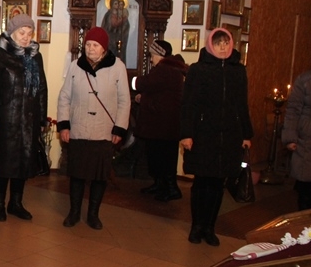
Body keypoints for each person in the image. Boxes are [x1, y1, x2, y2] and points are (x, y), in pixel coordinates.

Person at [180, 28, 253, 246]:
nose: (222, 47)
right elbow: (189, 105)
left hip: (229, 135)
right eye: (218, 43)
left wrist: (246, 134)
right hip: (203, 135)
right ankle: (196, 227)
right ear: (211, 45)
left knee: (218, 183)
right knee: (202, 182)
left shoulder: (238, 71)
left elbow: (242, 105)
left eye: (226, 43)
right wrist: (186, 134)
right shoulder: (198, 69)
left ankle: (210, 228)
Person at [58, 26, 130, 230]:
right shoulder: (75, 66)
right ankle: (74, 213)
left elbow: (124, 100)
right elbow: (64, 97)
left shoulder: (118, 67)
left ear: (104, 48)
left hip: (104, 131)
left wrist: (119, 128)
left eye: (95, 45)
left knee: (100, 175)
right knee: (77, 174)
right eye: (88, 44)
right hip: (79, 128)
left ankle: (93, 215)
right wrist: (64, 125)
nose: (90, 48)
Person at [0, 14, 48, 222]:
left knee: (23, 164)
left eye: (29, 33)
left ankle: (16, 203)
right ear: (11, 32)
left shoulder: (35, 56)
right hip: (5, 121)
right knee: (3, 164)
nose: (26, 38)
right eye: (21, 33)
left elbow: (42, 89)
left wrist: (41, 119)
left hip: (28, 121)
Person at [131, 40, 187, 201]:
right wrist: (145, 97)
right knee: (159, 155)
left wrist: (130, 81)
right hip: (164, 123)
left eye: (153, 55)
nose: (151, 59)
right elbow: (158, 91)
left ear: (160, 55)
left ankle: (171, 188)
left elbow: (144, 83)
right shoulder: (171, 68)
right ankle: (160, 184)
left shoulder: (165, 69)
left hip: (163, 124)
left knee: (164, 157)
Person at [282, 69, 311, 210]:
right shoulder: (305, 80)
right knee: (306, 190)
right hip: (306, 141)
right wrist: (290, 138)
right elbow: (293, 110)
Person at [100, 0, 130, 65]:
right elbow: (113, 24)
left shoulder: (119, 13)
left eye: (118, 4)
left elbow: (126, 25)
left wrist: (124, 23)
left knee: (119, 54)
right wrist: (123, 19)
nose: (117, 5)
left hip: (118, 38)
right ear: (111, 4)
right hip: (111, 38)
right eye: (115, 4)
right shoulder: (109, 14)